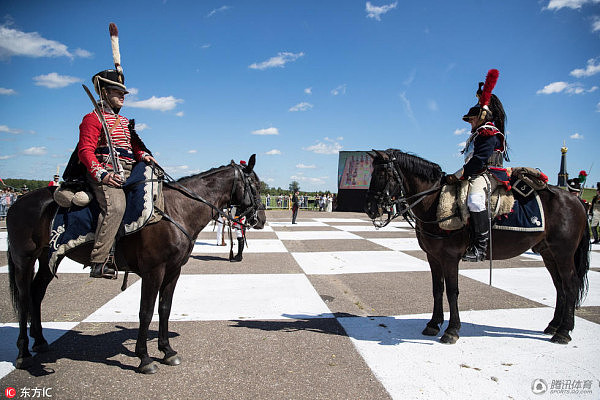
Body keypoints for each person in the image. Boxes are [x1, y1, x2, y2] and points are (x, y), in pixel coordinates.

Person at [78, 69, 156, 278]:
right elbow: (85, 150)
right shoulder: (92, 118)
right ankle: (99, 260)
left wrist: (143, 154)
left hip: (130, 170)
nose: (122, 95)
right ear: (103, 93)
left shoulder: (123, 121)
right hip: (106, 172)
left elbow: (132, 146)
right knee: (116, 207)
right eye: (116, 91)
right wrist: (102, 174)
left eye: (123, 92)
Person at [444, 69, 508, 262]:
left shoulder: (488, 132)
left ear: (482, 116)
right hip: (476, 173)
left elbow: (479, 161)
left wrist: (458, 175)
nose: (469, 122)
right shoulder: (478, 133)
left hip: (487, 174)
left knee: (475, 200)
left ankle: (480, 247)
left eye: (472, 118)